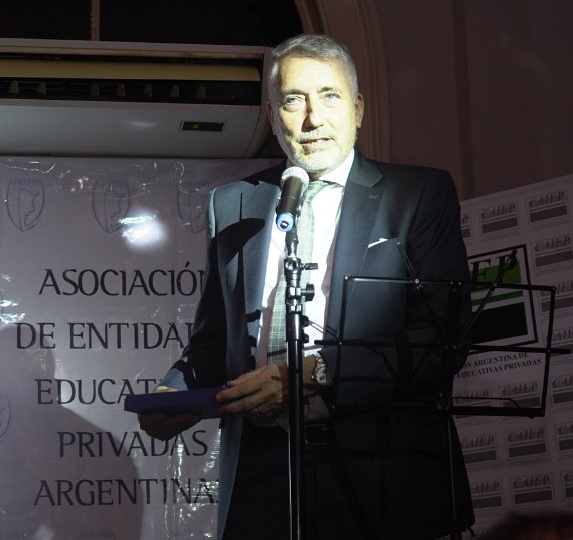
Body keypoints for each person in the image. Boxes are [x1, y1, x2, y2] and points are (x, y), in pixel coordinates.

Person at [138, 33, 474, 539]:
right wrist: (176, 393)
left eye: (330, 96)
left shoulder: (418, 194)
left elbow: (443, 337)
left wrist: (315, 373)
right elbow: (216, 339)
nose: (313, 118)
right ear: (272, 117)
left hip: (381, 473)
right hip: (262, 475)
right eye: (294, 100)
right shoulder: (233, 203)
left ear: (358, 109)